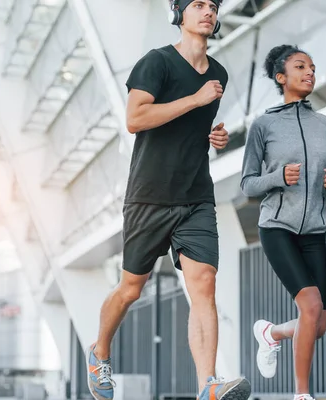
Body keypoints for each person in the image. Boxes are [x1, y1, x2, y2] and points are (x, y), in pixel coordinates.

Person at [85, 1, 252, 400]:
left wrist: (214, 136)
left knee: (204, 284)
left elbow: (192, 128)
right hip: (150, 196)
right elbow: (136, 119)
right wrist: (195, 100)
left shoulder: (218, 74)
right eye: (198, 4)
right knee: (130, 289)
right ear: (179, 14)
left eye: (213, 5)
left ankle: (208, 384)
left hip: (196, 195)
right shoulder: (156, 62)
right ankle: (99, 352)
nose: (208, 11)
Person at [240, 44, 326, 400]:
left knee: (318, 325)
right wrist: (277, 177)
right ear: (281, 77)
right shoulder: (264, 126)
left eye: (313, 67)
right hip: (277, 228)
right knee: (310, 307)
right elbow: (248, 183)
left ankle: (271, 333)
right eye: (300, 66)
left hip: (315, 231)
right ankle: (302, 395)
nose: (310, 72)